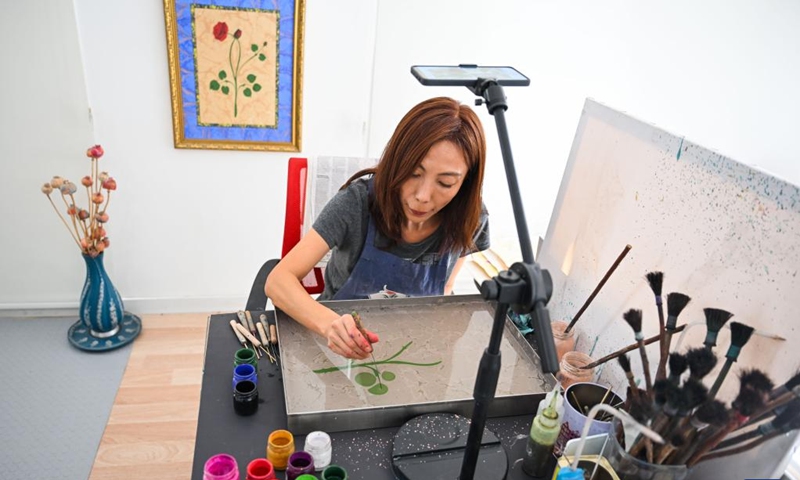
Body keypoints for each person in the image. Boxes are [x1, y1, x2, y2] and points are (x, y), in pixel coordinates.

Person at [265, 96, 490, 360]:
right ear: (396, 162)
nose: (423, 196)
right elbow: (278, 281)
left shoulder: (470, 218)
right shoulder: (356, 204)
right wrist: (328, 325)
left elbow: (446, 286)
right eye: (414, 174)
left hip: (414, 345)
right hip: (338, 344)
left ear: (465, 184)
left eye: (445, 183)